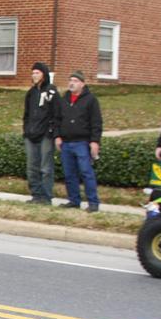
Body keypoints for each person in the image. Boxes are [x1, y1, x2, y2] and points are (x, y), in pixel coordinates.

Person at [55, 70, 102, 212]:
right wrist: (57, 136)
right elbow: (57, 119)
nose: (72, 83)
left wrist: (95, 141)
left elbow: (96, 122)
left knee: (86, 172)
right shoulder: (64, 100)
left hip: (82, 142)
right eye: (70, 80)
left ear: (82, 84)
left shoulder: (91, 100)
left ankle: (93, 202)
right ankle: (74, 200)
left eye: (75, 81)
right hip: (66, 143)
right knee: (69, 174)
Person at [22, 61, 61, 204]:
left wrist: (54, 132)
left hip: (46, 135)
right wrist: (26, 130)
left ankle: (46, 196)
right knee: (32, 167)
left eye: (37, 73)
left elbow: (57, 113)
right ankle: (36, 195)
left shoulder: (51, 91)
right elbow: (26, 115)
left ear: (43, 74)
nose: (34, 75)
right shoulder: (31, 93)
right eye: (32, 73)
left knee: (45, 167)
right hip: (31, 134)